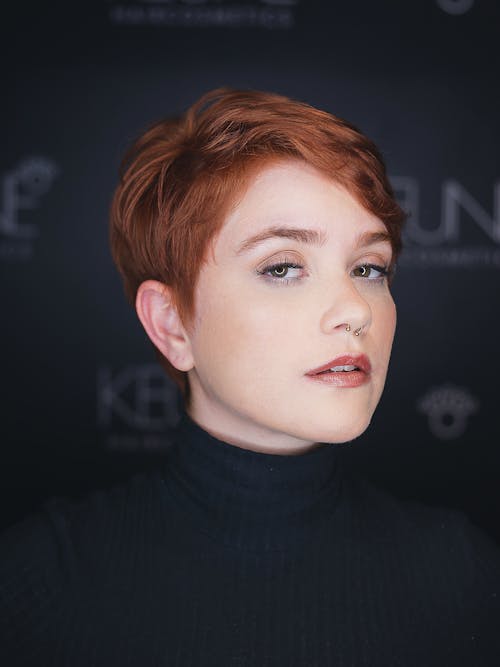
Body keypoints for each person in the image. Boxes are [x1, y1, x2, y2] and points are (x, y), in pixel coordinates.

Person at [1, 88, 499, 666]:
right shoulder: (36, 586)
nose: (356, 310)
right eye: (283, 267)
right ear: (171, 325)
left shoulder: (461, 576)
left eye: (369, 267)